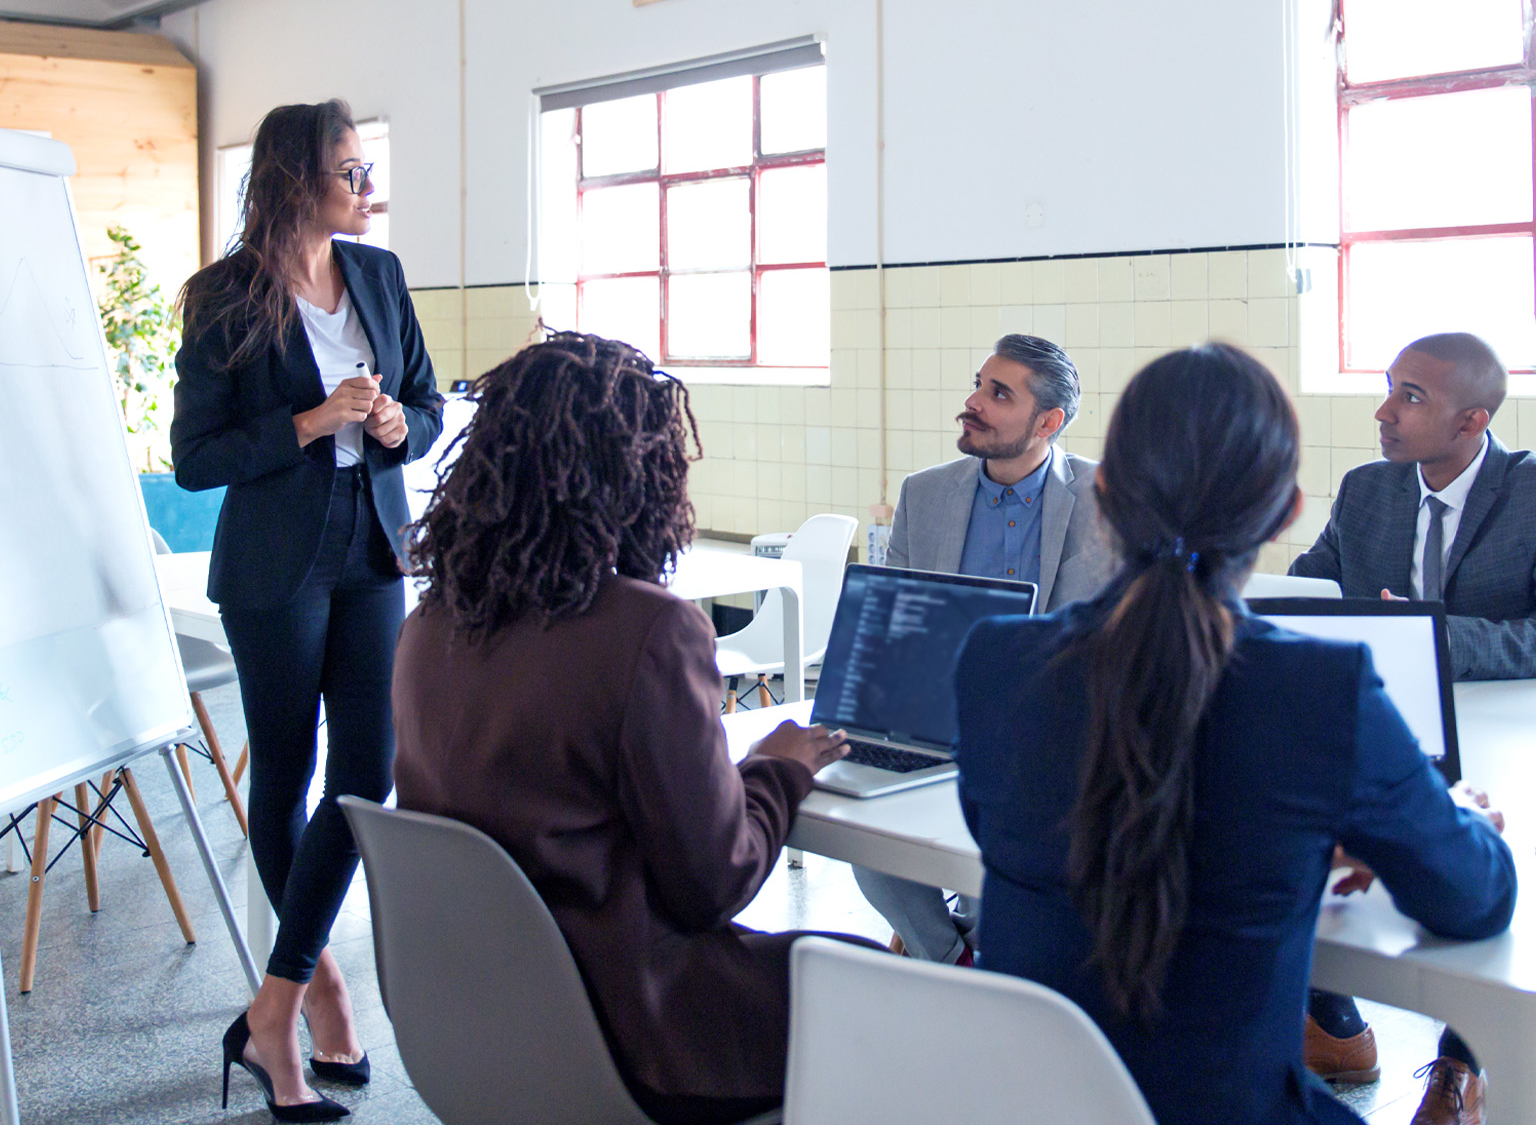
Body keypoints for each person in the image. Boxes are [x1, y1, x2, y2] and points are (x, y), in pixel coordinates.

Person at [955, 343, 1515, 1125]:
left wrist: (1293, 830)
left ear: (1104, 491)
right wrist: (1434, 824)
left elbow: (1022, 829)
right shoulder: (1325, 691)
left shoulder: (995, 661)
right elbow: (1473, 899)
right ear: (1287, 512)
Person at [392, 331, 861, 1125]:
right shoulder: (648, 631)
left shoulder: (431, 624)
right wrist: (778, 768)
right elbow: (713, 884)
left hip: (475, 1017)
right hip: (633, 1028)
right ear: (641, 472)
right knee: (873, 981)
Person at [173, 100, 442, 1122]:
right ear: (296, 177)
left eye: (366, 166)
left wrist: (386, 421)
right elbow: (196, 458)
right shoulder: (225, 295)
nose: (366, 186)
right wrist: (309, 420)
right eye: (350, 168)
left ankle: (272, 1005)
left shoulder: (378, 274)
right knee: (284, 770)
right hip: (275, 564)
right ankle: (317, 986)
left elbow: (422, 410)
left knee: (369, 774)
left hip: (374, 549)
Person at [1290, 331, 1536, 1122]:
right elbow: (1306, 595)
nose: (1384, 412)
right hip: (1384, 723)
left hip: (1503, 729)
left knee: (1481, 871)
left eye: (1411, 398)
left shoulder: (1529, 493)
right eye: (1391, 388)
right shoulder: (1368, 490)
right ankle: (1333, 1018)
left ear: (1473, 422)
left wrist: (1431, 636)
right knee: (1294, 813)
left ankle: (1462, 1061)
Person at [854, 334, 1119, 963]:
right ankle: (952, 959)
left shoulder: (1110, 500)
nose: (971, 403)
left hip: (1054, 732)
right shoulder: (926, 493)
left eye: (998, 394)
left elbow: (1118, 636)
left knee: (1002, 856)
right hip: (938, 718)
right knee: (865, 840)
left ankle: (977, 950)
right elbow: (902, 623)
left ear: (1048, 422)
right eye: (978, 384)